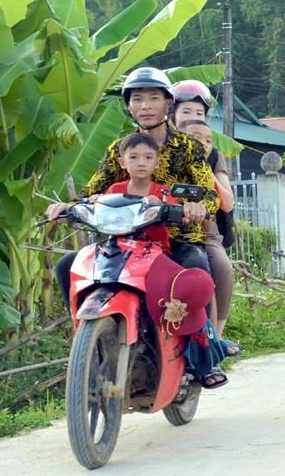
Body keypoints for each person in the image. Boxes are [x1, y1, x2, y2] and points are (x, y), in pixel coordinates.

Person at [46, 67, 228, 388]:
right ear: (128, 106)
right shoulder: (119, 148)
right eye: (138, 99)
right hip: (123, 238)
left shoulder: (188, 147)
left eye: (154, 98)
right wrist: (68, 207)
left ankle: (200, 353)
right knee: (66, 266)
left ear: (168, 104)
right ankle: (86, 342)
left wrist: (197, 207)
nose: (145, 105)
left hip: (175, 237)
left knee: (197, 267)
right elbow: (93, 190)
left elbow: (209, 192)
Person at [172, 80, 236, 337]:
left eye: (199, 114)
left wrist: (204, 168)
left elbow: (227, 202)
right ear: (172, 115)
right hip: (161, 225)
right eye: (186, 112)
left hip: (204, 231)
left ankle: (216, 338)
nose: (193, 118)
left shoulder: (212, 156)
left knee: (221, 268)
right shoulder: (161, 149)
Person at [102, 133, 178, 252]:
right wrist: (95, 201)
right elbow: (103, 209)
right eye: (133, 157)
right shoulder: (115, 190)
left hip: (157, 251)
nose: (141, 163)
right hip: (119, 251)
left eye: (148, 157)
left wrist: (162, 206)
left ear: (157, 163)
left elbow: (176, 211)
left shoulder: (163, 192)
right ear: (122, 162)